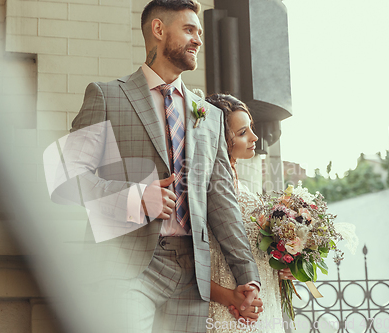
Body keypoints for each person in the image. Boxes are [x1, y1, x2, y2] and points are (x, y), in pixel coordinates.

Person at [50, 1, 262, 332]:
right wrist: (135, 198)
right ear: (159, 30)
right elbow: (65, 180)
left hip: (193, 278)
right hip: (126, 267)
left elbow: (223, 204)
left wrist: (248, 277)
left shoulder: (210, 116)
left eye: (200, 33)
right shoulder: (107, 97)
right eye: (190, 30)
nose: (198, 40)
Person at [204, 94, 295, 332]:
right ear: (220, 139)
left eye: (251, 129)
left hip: (264, 303)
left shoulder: (244, 186)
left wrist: (284, 266)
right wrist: (229, 298)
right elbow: (190, 262)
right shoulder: (205, 188)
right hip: (230, 309)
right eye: (242, 132)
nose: (254, 137)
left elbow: (255, 250)